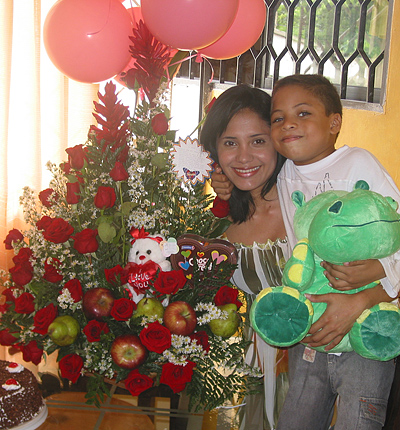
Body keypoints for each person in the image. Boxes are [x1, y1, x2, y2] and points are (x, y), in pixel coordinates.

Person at [210, 74, 400, 430]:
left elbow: (392, 232)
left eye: (303, 113)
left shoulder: (357, 165)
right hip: (306, 341)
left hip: (364, 331)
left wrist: (373, 284)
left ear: (334, 122)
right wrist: (221, 182)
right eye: (279, 118)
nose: (289, 124)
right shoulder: (287, 179)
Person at [200, 84, 288, 430]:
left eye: (258, 140)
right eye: (230, 143)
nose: (244, 157)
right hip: (247, 378)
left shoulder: (308, 206)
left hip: (316, 371)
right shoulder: (220, 225)